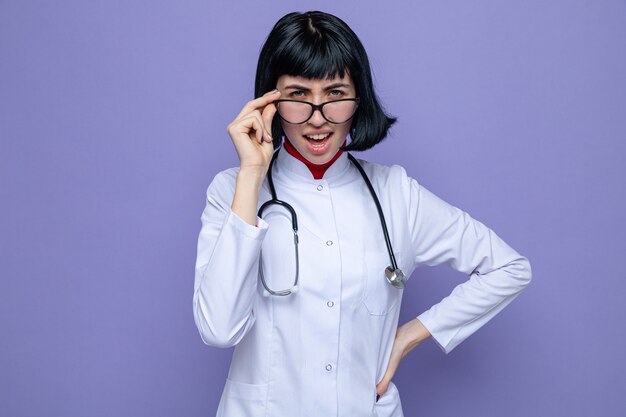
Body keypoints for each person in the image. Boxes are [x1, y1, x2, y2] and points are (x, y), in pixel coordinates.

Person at [193, 10, 532, 417]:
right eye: (298, 94)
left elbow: (509, 268)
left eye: (335, 93)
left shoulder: (395, 194)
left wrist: (407, 336)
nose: (317, 118)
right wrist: (251, 174)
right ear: (269, 101)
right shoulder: (232, 190)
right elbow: (218, 329)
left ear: (359, 98)